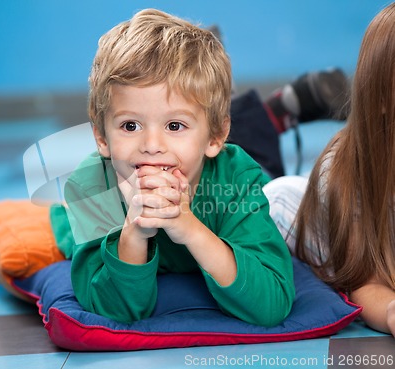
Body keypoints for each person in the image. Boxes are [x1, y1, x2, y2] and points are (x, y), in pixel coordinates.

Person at [50, 8, 295, 326]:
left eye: (174, 125)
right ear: (101, 137)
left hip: (231, 158)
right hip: (105, 201)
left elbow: (272, 303)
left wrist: (189, 226)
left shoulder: (235, 179)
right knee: (64, 229)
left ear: (216, 136)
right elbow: (113, 309)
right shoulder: (92, 184)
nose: (152, 145)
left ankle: (269, 112)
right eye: (130, 126)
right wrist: (134, 231)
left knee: (266, 167)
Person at [266, 2, 395, 337]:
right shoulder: (351, 174)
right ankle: (265, 115)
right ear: (381, 97)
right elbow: (367, 285)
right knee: (221, 169)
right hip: (281, 214)